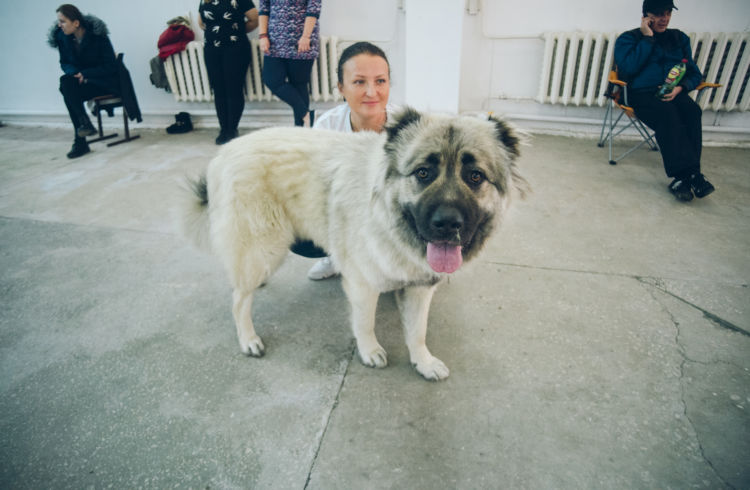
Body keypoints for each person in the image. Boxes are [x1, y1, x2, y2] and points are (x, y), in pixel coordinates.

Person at [306, 41, 396, 280]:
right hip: (346, 208)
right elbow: (317, 185)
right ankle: (336, 257)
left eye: (380, 81)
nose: (371, 92)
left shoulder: (408, 126)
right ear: (341, 88)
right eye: (359, 82)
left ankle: (398, 261)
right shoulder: (327, 126)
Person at [614, 0, 715, 202]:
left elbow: (695, 73)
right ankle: (691, 174)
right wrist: (647, 39)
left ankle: (683, 179)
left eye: (668, 13)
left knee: (693, 111)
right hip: (642, 95)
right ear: (646, 16)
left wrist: (681, 87)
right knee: (667, 115)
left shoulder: (679, 38)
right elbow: (627, 69)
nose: (665, 18)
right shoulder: (629, 38)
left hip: (674, 92)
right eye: (659, 14)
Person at [48, 4, 119, 159]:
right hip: (81, 83)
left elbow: (111, 67)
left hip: (102, 83)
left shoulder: (98, 35)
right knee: (66, 83)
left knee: (68, 93)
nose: (59, 25)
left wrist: (85, 74)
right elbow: (64, 62)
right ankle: (84, 122)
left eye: (63, 21)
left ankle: (81, 140)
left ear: (76, 23)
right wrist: (75, 73)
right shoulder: (62, 37)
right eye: (59, 22)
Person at [198, 0, 259, 144]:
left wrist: (235, 30)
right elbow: (201, 23)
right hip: (212, 50)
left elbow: (254, 19)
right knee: (218, 89)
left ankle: (232, 129)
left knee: (233, 89)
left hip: (235, 49)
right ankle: (223, 129)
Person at [258, 0, 321, 127]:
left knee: (299, 84)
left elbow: (313, 8)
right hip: (274, 41)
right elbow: (264, 8)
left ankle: (300, 129)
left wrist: (306, 37)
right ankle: (307, 115)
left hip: (301, 41)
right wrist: (263, 35)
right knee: (272, 80)